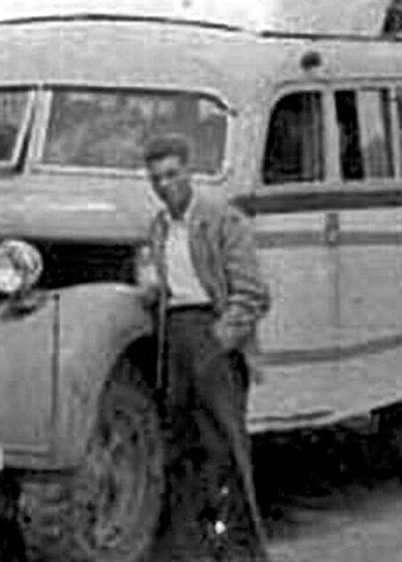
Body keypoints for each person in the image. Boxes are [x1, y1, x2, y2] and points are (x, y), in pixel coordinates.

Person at [138, 133, 271, 560]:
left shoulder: (222, 219)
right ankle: (190, 548)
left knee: (225, 446)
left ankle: (238, 550)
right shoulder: (159, 227)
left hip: (212, 337)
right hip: (175, 337)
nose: (164, 184)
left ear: (189, 173)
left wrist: (221, 340)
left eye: (172, 174)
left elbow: (253, 293)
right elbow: (162, 285)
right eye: (156, 177)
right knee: (181, 445)